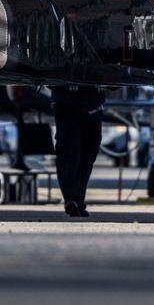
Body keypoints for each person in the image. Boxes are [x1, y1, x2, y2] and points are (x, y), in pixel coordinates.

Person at [50, 85, 105, 218]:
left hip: (93, 104)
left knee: (89, 154)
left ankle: (78, 200)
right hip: (67, 102)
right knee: (69, 152)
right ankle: (71, 199)